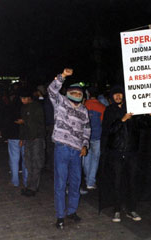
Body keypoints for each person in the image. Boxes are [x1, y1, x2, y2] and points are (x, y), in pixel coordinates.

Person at [100, 85, 151, 223]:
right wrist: (122, 120)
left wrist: (150, 117)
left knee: (132, 181)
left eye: (120, 94)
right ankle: (117, 210)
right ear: (111, 97)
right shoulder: (109, 111)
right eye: (115, 95)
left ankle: (131, 209)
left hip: (131, 153)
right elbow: (108, 130)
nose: (118, 97)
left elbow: (142, 125)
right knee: (117, 182)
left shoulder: (131, 109)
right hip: (116, 153)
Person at [47, 68, 91, 230]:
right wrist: (63, 76)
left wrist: (85, 145)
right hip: (62, 148)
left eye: (80, 94)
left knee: (75, 183)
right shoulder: (61, 103)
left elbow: (87, 130)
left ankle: (71, 211)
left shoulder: (84, 111)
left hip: (77, 151)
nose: (78, 96)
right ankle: (60, 216)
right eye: (75, 93)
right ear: (69, 93)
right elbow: (51, 90)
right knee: (60, 183)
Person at [16, 88, 45, 197]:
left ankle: (33, 188)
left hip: (37, 139)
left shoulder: (37, 107)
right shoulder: (24, 108)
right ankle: (29, 186)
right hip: (28, 139)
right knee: (28, 163)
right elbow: (23, 126)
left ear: (29, 98)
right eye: (21, 99)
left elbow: (39, 124)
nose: (22, 100)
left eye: (24, 98)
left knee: (36, 163)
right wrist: (22, 138)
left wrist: (25, 121)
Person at [2, 90, 28, 187]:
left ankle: (15, 180)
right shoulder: (25, 109)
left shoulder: (9, 108)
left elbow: (6, 122)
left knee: (14, 159)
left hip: (13, 136)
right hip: (24, 136)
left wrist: (5, 135)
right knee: (25, 159)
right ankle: (26, 181)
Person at [82, 86, 106, 190]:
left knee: (86, 159)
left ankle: (88, 180)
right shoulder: (102, 107)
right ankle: (90, 182)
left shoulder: (84, 105)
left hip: (85, 137)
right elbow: (103, 123)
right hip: (97, 136)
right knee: (95, 160)